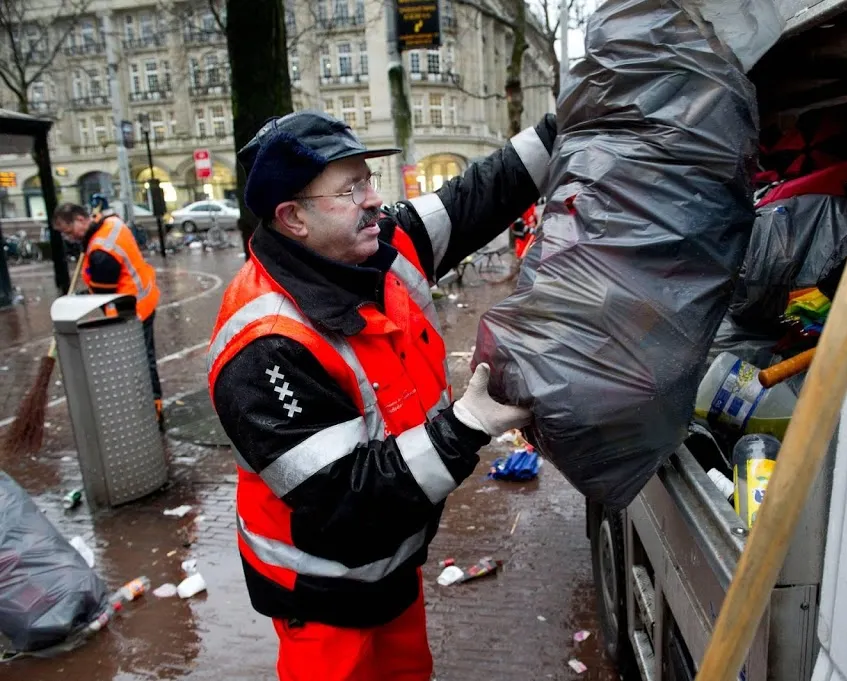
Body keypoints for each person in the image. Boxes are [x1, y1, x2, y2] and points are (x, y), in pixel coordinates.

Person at [206, 110, 557, 681]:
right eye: (350, 189)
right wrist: (466, 424)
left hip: (394, 567)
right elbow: (346, 500)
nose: (374, 200)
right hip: (322, 599)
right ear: (293, 217)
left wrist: (564, 123)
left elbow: (480, 194)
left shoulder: (379, 246)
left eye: (368, 180)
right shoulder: (264, 346)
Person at [53, 199, 164, 429]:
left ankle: (153, 411)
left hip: (132, 310)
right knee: (144, 359)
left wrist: (82, 294)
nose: (69, 237)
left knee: (141, 362)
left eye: (69, 230)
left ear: (81, 219)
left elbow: (103, 290)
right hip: (144, 297)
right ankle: (150, 406)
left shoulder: (101, 251)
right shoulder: (111, 224)